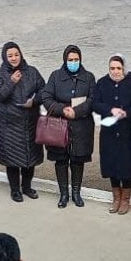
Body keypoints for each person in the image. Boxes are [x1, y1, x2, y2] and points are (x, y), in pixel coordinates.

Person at [42, 45, 96, 209]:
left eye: (76, 60)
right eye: (70, 60)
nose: (74, 62)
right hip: (59, 124)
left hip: (81, 125)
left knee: (78, 160)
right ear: (65, 60)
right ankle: (64, 194)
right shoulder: (55, 76)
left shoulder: (88, 77)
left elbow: (93, 99)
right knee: (61, 160)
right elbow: (46, 96)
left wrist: (77, 111)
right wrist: (61, 110)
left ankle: (76, 193)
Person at [0, 42, 45, 203]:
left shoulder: (32, 72)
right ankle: (15, 190)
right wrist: (11, 82)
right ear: (5, 57)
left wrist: (34, 101)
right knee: (12, 160)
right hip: (9, 125)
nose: (14, 58)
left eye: (16, 54)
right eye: (10, 56)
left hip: (30, 122)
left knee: (30, 159)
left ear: (21, 55)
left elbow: (44, 89)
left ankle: (27, 187)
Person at [92, 54, 131, 214]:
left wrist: (126, 113)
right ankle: (116, 197)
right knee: (111, 164)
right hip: (109, 132)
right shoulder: (102, 83)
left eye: (118, 68)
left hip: (127, 132)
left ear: (124, 68)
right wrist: (110, 110)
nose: (115, 71)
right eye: (112, 68)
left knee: (127, 165)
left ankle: (125, 198)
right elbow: (95, 104)